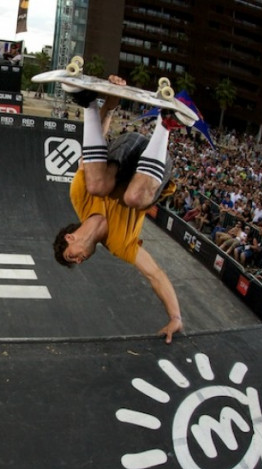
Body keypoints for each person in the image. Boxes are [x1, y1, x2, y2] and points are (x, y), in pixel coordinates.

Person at [52, 75, 185, 344]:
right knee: (133, 197)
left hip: (129, 151)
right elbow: (154, 274)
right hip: (153, 173)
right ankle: (166, 123)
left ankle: (86, 104)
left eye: (71, 256)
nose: (79, 260)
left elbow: (95, 145)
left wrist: (110, 100)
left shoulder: (80, 198)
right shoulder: (121, 244)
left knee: (96, 184)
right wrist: (176, 317)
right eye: (75, 262)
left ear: (70, 237)